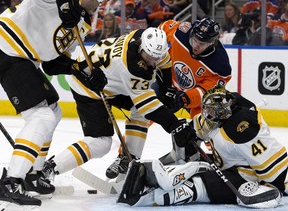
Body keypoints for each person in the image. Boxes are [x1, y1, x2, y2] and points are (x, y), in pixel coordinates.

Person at [40, 28, 196, 191]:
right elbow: (147, 105)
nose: (152, 61)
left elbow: (163, 61)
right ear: (141, 47)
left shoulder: (146, 39)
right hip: (88, 86)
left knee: (139, 111)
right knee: (101, 142)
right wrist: (174, 125)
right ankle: (49, 168)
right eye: (148, 57)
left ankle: (128, 160)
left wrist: (166, 88)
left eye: (155, 57)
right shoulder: (131, 66)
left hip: (112, 81)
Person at [0, 0, 109, 208]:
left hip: (24, 59)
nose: (100, 2)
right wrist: (63, 2)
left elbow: (52, 64)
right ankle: (11, 181)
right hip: (6, 47)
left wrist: (82, 71)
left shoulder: (83, 21)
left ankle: (34, 174)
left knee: (53, 110)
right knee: (42, 116)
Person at [117, 85, 288, 208]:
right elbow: (197, 128)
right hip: (228, 164)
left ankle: (155, 196)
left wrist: (276, 187)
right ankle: (159, 178)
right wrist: (186, 133)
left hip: (247, 176)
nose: (206, 115)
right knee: (195, 164)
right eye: (206, 111)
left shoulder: (242, 128)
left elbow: (275, 164)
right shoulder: (219, 115)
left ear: (222, 112)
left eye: (211, 112)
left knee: (202, 184)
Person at [105, 17, 232, 179]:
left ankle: (219, 159)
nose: (196, 46)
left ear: (212, 43)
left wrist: (185, 99)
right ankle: (125, 157)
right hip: (167, 84)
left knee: (207, 125)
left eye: (202, 43)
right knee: (143, 112)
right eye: (194, 40)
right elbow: (161, 30)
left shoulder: (220, 64)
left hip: (194, 95)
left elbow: (207, 92)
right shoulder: (181, 31)